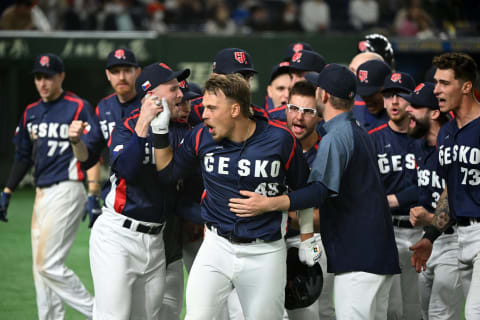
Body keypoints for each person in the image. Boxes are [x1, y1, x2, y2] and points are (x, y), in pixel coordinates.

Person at [229, 64, 401, 319]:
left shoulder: (336, 137)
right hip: (377, 254)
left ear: (324, 96)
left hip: (359, 258)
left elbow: (318, 192)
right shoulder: (355, 131)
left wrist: (270, 204)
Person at [150, 73, 319, 319]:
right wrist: (160, 131)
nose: (204, 114)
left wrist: (303, 234)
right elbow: (168, 173)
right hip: (215, 247)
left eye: (211, 108)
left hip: (265, 252)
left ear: (235, 109)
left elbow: (311, 191)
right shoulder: (201, 136)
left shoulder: (280, 139)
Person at [69, 61, 190, 319]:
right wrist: (144, 125)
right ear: (151, 96)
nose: (181, 93)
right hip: (118, 236)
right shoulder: (126, 127)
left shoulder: (181, 130)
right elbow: (127, 170)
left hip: (156, 241)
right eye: (173, 88)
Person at [0, 53, 97, 319]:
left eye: (48, 76)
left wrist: (93, 192)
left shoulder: (78, 107)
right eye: (38, 77)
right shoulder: (31, 112)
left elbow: (92, 150)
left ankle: (100, 313)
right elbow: (22, 155)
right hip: (41, 193)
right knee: (40, 271)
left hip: (68, 187)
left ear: (61, 77)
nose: (43, 82)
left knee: (48, 264)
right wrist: (8, 190)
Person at [409, 52, 480, 318]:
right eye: (436, 82)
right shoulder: (447, 133)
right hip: (461, 238)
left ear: (466, 86)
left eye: (444, 83)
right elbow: (450, 191)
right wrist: (429, 237)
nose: (436, 89)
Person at [404, 82, 463, 320]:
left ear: (435, 113)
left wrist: (432, 219)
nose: (409, 109)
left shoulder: (457, 146)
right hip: (428, 242)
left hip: (455, 240)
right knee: (424, 313)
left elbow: (466, 199)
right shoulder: (421, 147)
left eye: (416, 106)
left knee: (441, 314)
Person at [368, 71, 422, 319]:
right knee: (390, 309)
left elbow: (429, 187)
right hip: (386, 228)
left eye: (400, 95)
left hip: (420, 229)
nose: (394, 102)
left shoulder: (424, 139)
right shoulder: (373, 139)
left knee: (417, 307)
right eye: (388, 95)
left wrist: (396, 199)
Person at [284, 80, 335, 320]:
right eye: (294, 108)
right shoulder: (274, 145)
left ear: (320, 115)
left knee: (312, 309)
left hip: (316, 239)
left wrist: (284, 216)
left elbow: (331, 218)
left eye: (308, 111)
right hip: (274, 239)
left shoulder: (329, 152)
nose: (299, 118)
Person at [83, 47, 142, 228]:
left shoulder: (149, 103)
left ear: (137, 72)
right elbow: (90, 153)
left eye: (127, 70)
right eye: (116, 72)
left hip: (148, 194)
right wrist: (93, 192)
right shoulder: (104, 107)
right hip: (115, 197)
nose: (121, 77)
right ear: (108, 75)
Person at [188, 47, 266, 127]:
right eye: (234, 77)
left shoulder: (261, 116)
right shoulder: (190, 111)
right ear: (214, 78)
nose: (243, 83)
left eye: (247, 77)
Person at [268, 49, 326, 125]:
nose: (292, 84)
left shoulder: (331, 117)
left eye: (300, 75)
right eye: (291, 77)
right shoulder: (273, 118)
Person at [355, 59, 392, 131]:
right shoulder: (353, 112)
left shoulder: (405, 118)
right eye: (362, 93)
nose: (367, 98)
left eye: (371, 94)